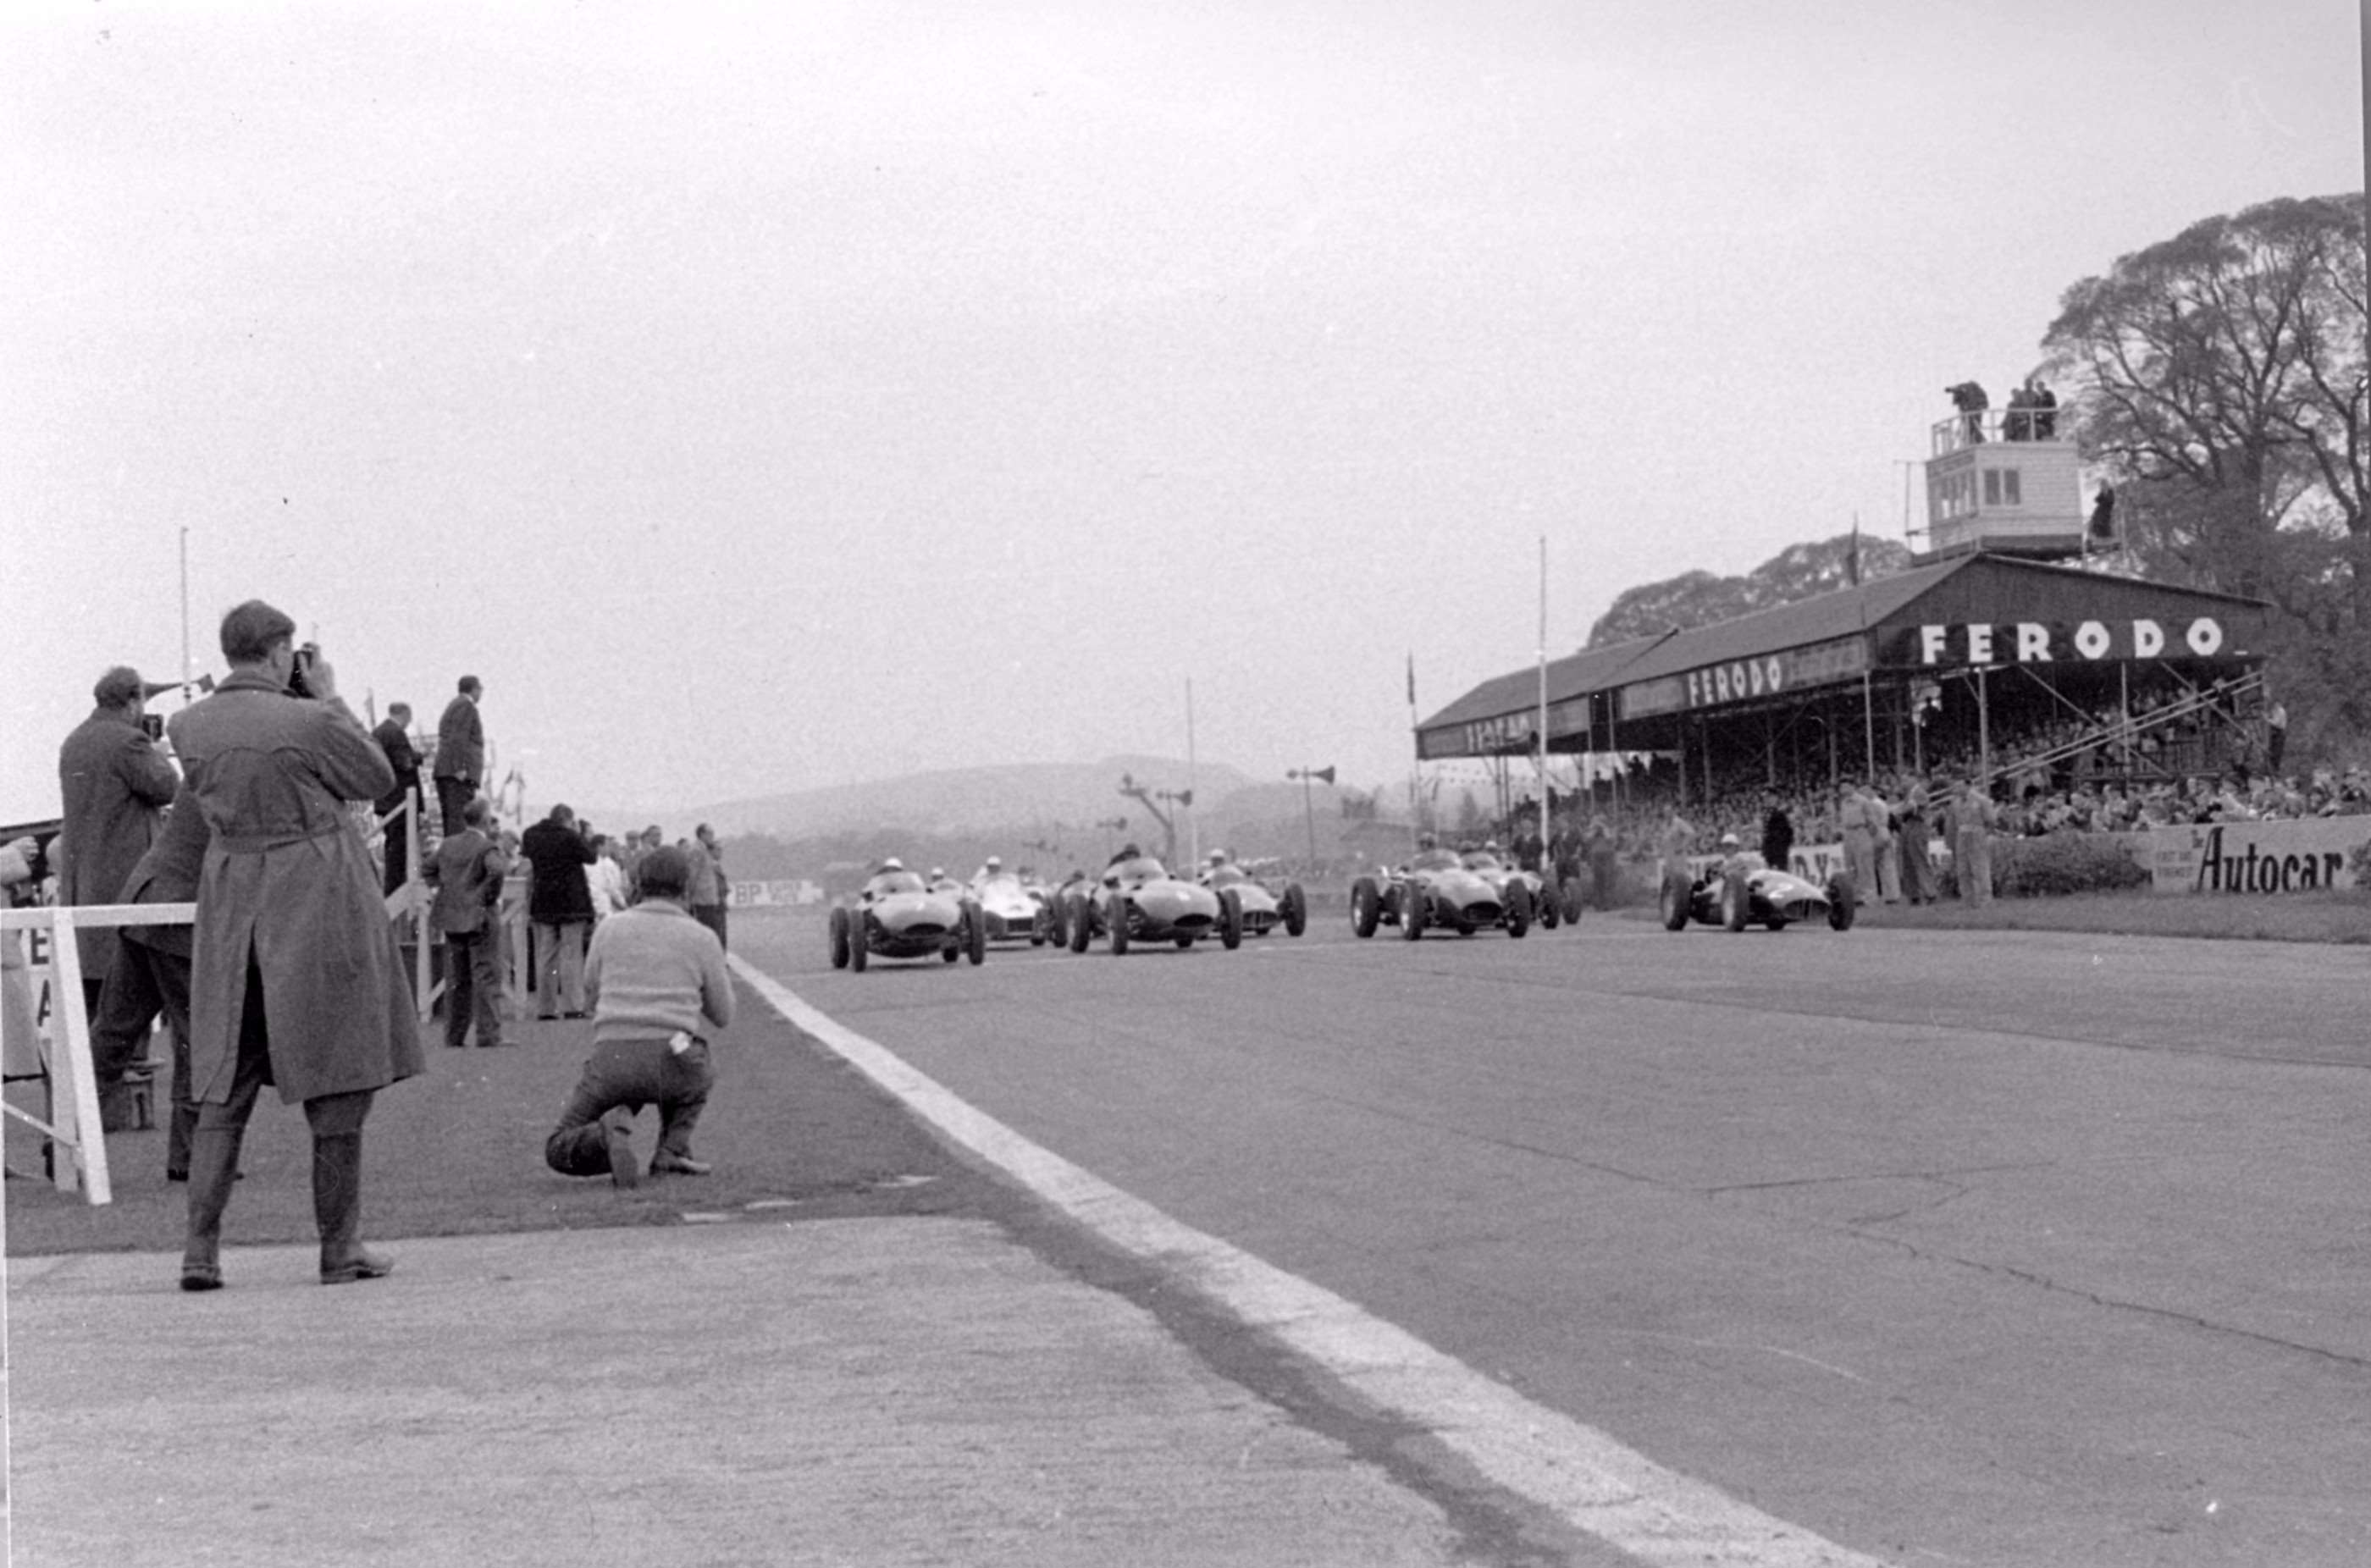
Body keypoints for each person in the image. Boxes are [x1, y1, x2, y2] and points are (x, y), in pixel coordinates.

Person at [168, 600, 421, 1291]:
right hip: (314, 902)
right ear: (282, 653)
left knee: (224, 1083)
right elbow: (375, 778)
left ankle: (200, 1251)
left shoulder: (187, 725)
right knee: (337, 1079)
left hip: (231, 912)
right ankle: (339, 1248)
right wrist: (331, 695)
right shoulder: (309, 719)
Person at [543, 846, 732, 1190]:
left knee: (558, 1145)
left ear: (638, 884)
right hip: (674, 1054)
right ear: (686, 888)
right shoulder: (702, 937)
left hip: (613, 1055)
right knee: (698, 1070)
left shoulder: (609, 929)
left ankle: (603, 1134)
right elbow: (723, 1015)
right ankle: (671, 1149)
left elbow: (590, 992)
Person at [58, 665, 184, 1129]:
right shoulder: (129, 744)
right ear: (132, 701)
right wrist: (159, 750)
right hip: (128, 895)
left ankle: (87, 1119)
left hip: (84, 892)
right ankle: (109, 1114)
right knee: (133, 1007)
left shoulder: (75, 740)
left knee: (97, 1010)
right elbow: (167, 787)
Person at [86, 781, 210, 1178]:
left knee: (113, 1033)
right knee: (199, 1034)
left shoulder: (209, 759)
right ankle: (191, 1157)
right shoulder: (238, 766)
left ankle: (67, 1144)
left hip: (146, 900)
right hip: (177, 911)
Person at [426, 798, 509, 1050]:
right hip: (481, 915)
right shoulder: (487, 847)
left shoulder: (448, 845)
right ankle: (488, 1034)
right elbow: (497, 871)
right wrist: (486, 896)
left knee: (456, 979)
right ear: (484, 819)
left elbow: (428, 869)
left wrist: (443, 890)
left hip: (452, 916)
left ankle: (454, 1035)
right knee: (486, 974)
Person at [520, 804, 598, 1020]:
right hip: (571, 901)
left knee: (546, 955)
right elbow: (591, 857)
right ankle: (573, 1005)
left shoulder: (531, 834)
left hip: (543, 900)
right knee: (571, 955)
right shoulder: (570, 836)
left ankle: (546, 1007)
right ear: (569, 820)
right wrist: (578, 833)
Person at [372, 701, 423, 897]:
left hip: (386, 799)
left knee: (392, 845)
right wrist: (419, 757)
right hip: (400, 800)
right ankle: (396, 889)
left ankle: (392, 888)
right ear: (405, 714)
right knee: (400, 849)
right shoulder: (395, 734)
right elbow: (405, 762)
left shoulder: (378, 732)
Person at [431, 676, 485, 835]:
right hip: (457, 774)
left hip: (446, 771)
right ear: (474, 689)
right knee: (459, 820)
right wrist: (459, 767)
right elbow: (458, 737)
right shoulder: (466, 706)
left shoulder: (454, 705)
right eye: (480, 689)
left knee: (451, 820)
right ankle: (458, 858)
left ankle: (452, 855)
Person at [1953, 779, 1997, 907]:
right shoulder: (1956, 802)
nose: (1957, 788)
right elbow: (1956, 821)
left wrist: (1984, 833)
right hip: (1962, 834)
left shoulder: (1980, 800)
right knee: (1963, 869)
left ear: (1968, 786)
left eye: (1959, 785)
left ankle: (1985, 899)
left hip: (1976, 833)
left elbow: (1991, 819)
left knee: (1980, 868)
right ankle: (1968, 900)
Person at [687, 823, 728, 951]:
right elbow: (693, 875)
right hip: (702, 899)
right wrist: (690, 896)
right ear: (702, 834)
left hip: (709, 898)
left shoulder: (704, 850)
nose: (712, 837)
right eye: (710, 834)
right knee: (707, 932)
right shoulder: (697, 850)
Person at [1896, 781, 1935, 906]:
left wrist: (1897, 811)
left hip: (1918, 825)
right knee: (1908, 863)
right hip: (1908, 826)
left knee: (1919, 860)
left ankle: (1930, 892)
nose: (1902, 782)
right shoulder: (1909, 794)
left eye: (1904, 778)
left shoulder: (1919, 792)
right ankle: (1913, 895)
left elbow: (1911, 808)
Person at [1758, 791, 1795, 878]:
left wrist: (1782, 849)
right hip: (1769, 852)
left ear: (1774, 798)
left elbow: (1787, 833)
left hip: (1778, 852)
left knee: (1782, 876)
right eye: (1764, 798)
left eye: (1768, 797)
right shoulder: (1766, 813)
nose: (1765, 800)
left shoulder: (1780, 813)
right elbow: (1766, 833)